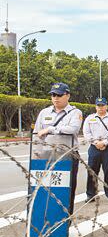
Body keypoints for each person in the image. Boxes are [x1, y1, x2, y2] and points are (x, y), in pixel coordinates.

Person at [33, 82, 83, 212]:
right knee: (46, 187)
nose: (56, 98)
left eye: (59, 95)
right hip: (46, 154)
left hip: (68, 154)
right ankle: (47, 216)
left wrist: (50, 129)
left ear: (67, 95)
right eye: (53, 95)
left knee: (67, 188)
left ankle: (66, 219)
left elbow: (73, 128)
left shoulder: (75, 112)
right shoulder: (44, 112)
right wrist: (37, 153)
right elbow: (38, 132)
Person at [82, 97, 108, 203]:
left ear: (106, 106)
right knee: (92, 171)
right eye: (98, 106)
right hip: (94, 148)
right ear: (95, 107)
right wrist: (96, 143)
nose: (100, 108)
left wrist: (104, 143)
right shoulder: (90, 118)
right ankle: (91, 194)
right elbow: (86, 133)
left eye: (102, 105)